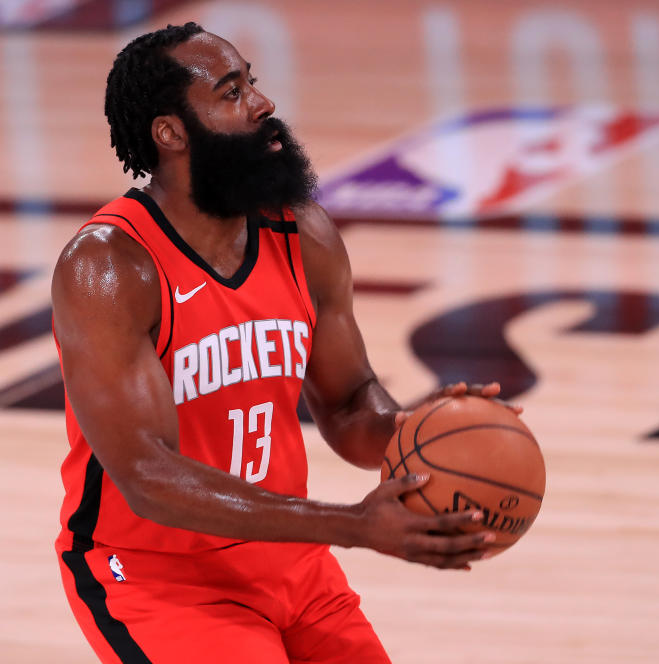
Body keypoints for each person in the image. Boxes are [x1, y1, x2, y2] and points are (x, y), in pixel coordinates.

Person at [52, 22, 510, 664]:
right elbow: (148, 477)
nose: (263, 105)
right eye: (231, 92)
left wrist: (422, 432)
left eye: (253, 84)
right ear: (171, 132)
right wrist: (350, 526)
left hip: (292, 562)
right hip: (157, 576)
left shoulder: (303, 234)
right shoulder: (111, 267)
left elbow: (350, 406)